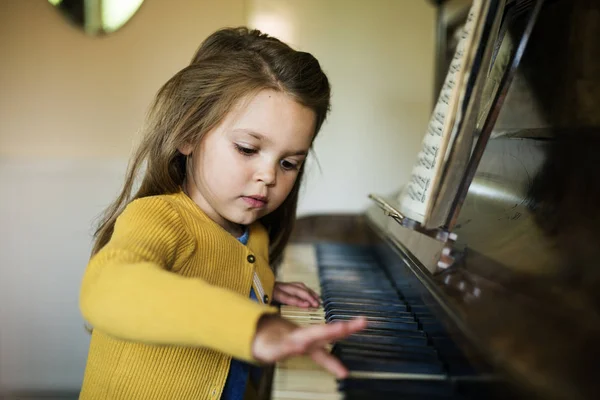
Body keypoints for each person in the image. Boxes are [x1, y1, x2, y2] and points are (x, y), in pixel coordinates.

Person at [78, 26, 367, 400]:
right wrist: (255, 326)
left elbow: (220, 264)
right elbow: (108, 288)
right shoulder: (158, 217)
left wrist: (255, 288)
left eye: (290, 162)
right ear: (188, 134)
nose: (268, 176)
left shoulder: (256, 235)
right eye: (248, 149)